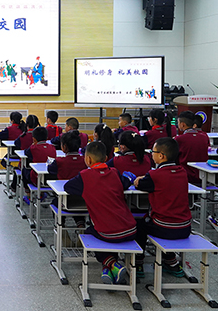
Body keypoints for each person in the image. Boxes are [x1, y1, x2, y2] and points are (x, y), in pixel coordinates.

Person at [64, 141, 136, 284]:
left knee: (90, 232)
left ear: (88, 159)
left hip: (108, 233)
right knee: (107, 229)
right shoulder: (114, 172)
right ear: (105, 158)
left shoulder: (84, 176)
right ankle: (109, 270)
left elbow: (68, 187)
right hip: (131, 229)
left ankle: (112, 263)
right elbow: (125, 183)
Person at [134, 137, 191, 278]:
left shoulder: (154, 175)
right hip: (185, 227)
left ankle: (138, 262)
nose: (151, 154)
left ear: (161, 156)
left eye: (153, 152)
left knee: (139, 225)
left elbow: (140, 184)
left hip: (164, 227)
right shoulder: (182, 172)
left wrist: (139, 179)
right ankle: (171, 262)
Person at [174, 111, 209, 184]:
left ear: (183, 124)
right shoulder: (204, 137)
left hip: (185, 174)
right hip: (203, 174)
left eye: (178, 123)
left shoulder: (179, 139)